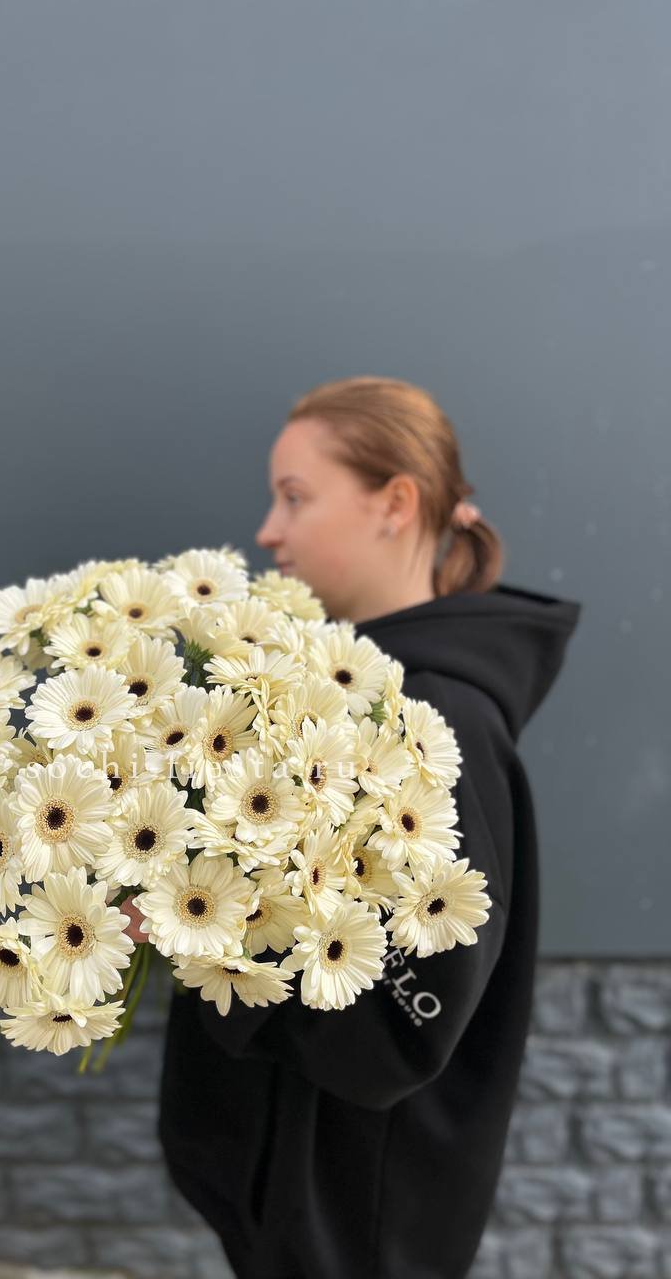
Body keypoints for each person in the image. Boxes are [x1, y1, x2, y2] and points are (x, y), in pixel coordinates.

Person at [123, 374, 581, 1278]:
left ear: (394, 504)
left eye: (295, 497)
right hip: (303, 1205)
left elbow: (405, 1027)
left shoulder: (438, 719)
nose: (269, 530)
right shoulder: (333, 694)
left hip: (354, 1220)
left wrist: (205, 937)